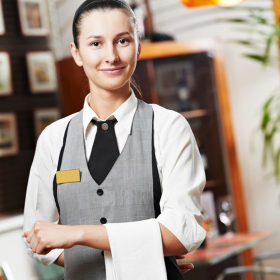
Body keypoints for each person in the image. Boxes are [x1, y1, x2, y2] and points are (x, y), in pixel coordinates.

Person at [22, 0, 206, 279]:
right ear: (77, 53)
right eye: (96, 43)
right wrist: (140, 257)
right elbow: (39, 237)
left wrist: (77, 234)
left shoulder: (169, 127)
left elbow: (183, 231)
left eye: (122, 41)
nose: (111, 56)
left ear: (138, 46)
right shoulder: (53, 139)